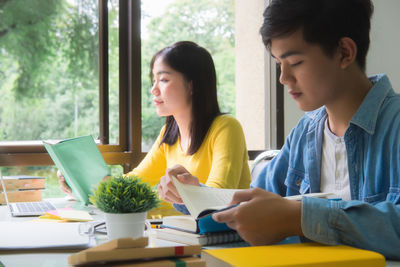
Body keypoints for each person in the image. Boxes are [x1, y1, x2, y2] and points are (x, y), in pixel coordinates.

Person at [163, 0, 400, 260]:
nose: (283, 78)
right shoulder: (306, 133)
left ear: (344, 52)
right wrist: (196, 194)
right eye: (278, 64)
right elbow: (251, 206)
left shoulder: (394, 125)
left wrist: (301, 219)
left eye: (295, 62)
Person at [58, 41, 251, 217]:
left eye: (164, 80)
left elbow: (217, 200)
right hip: (179, 237)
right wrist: (82, 183)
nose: (154, 89)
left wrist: (147, 199)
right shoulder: (169, 134)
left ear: (192, 85)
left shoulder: (226, 128)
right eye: (154, 80)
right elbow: (133, 182)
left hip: (222, 244)